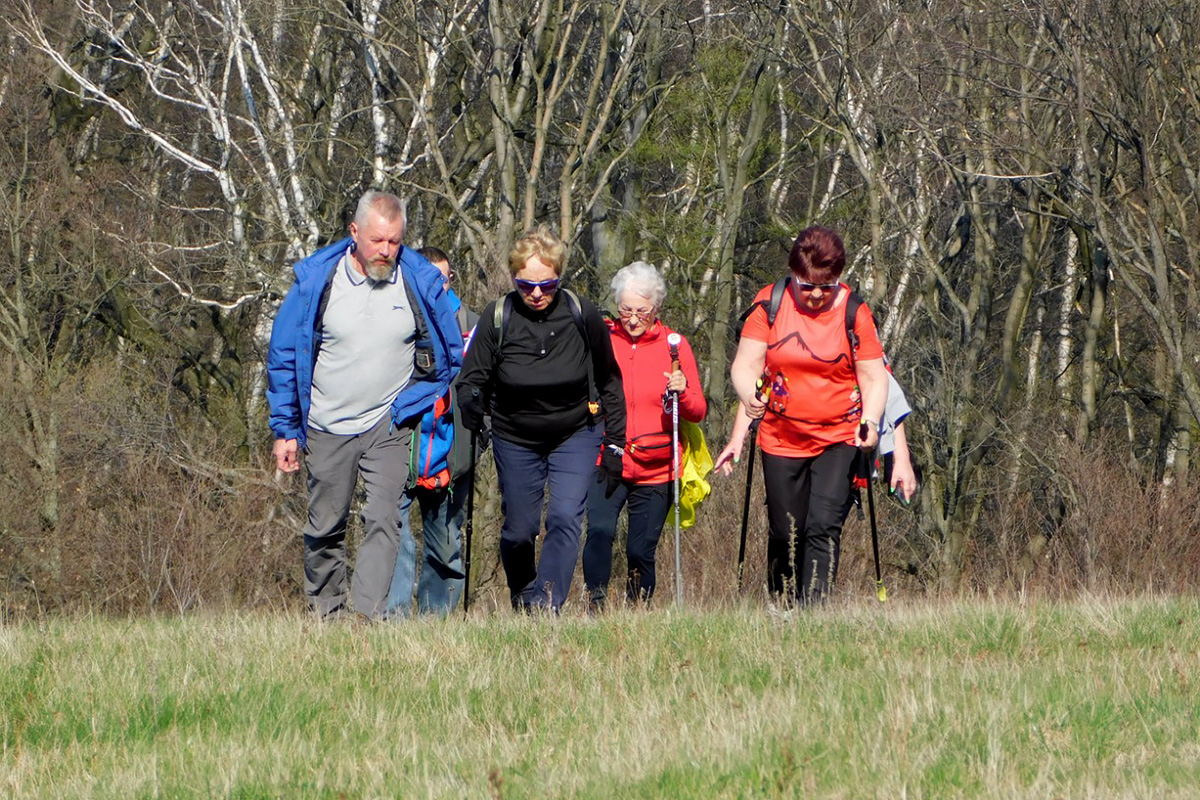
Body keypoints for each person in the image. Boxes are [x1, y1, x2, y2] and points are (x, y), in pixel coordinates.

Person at [267, 191, 463, 620]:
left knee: (384, 519)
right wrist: (286, 429)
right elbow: (283, 354)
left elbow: (449, 355)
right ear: (354, 233)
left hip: (387, 424)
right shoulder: (318, 282)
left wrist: (412, 400)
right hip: (326, 424)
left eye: (394, 241)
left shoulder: (418, 283)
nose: (386, 251)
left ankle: (365, 618)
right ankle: (326, 616)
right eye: (377, 240)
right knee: (325, 527)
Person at [714, 225, 888, 606]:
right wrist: (748, 396)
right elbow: (744, 366)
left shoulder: (855, 312)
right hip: (781, 436)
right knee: (785, 530)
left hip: (839, 436)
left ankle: (815, 611)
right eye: (805, 284)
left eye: (825, 287)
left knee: (823, 526)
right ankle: (783, 605)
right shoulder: (769, 304)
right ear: (793, 274)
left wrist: (871, 423)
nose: (813, 295)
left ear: (838, 279)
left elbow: (875, 377)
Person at [456, 227, 626, 613]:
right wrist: (470, 402)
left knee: (566, 516)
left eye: (546, 285)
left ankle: (545, 605)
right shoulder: (498, 316)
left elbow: (610, 381)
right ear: (514, 279)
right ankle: (523, 594)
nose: (536, 294)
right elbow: (472, 378)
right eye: (526, 285)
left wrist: (616, 443)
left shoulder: (581, 315)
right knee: (519, 531)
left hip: (576, 432)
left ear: (559, 278)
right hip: (514, 436)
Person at [581, 262, 706, 609]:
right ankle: (596, 601)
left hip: (657, 466)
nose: (633, 320)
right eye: (625, 311)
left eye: (641, 312)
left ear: (656, 308)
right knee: (600, 532)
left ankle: (639, 609)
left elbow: (697, 410)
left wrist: (682, 390)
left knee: (640, 549)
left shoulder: (674, 348)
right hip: (609, 460)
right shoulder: (604, 341)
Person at [385, 247, 480, 617]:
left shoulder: (471, 325)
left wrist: (478, 437)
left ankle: (434, 622)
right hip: (399, 446)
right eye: (429, 277)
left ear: (451, 279)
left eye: (443, 277)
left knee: (445, 544)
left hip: (450, 453)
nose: (436, 285)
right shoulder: (395, 318)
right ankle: (392, 620)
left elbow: (485, 387)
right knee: (394, 538)